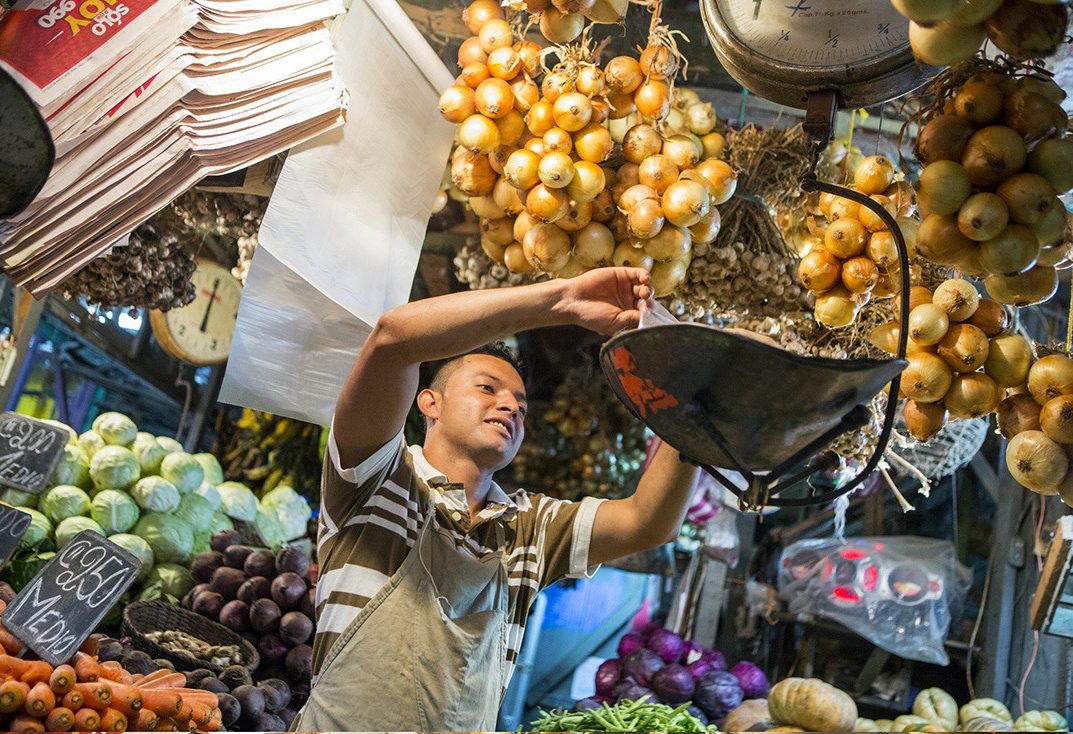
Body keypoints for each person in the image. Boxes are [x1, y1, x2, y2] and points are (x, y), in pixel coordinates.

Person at [295, 267, 700, 731]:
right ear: (430, 403)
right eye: (487, 388)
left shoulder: (530, 528)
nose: (510, 406)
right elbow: (393, 338)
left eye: (521, 407)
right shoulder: (376, 477)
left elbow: (649, 521)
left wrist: (695, 407)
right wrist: (562, 299)